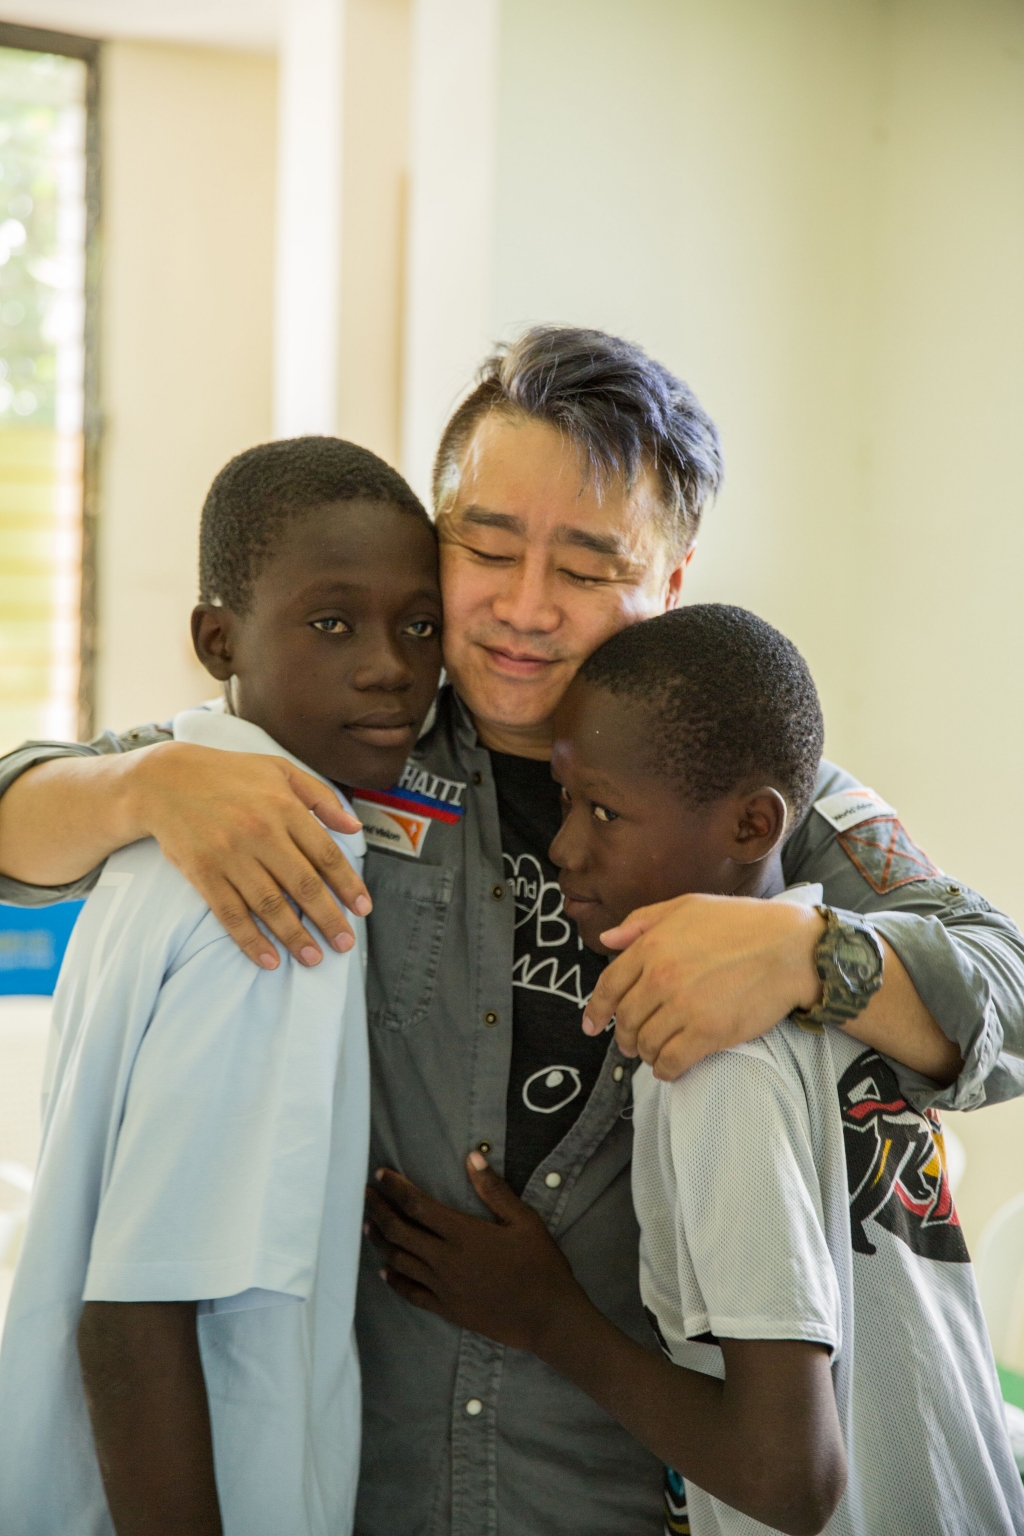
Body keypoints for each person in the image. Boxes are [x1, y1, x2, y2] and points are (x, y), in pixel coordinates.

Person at [0, 328, 1022, 1535]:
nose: (523, 610)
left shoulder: (745, 792)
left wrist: (809, 956)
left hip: (621, 1489)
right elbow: (21, 809)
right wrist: (138, 788)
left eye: (586, 570)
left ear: (670, 581)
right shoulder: (342, 737)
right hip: (361, 1481)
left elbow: (1001, 984)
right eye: (485, 547)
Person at [365, 605, 1024, 1536]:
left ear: (755, 824)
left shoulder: (717, 1056)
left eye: (603, 812)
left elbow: (790, 1478)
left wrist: (548, 1316)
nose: (562, 848)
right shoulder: (833, 986)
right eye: (564, 802)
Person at [0, 437, 444, 1536]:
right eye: (332, 623)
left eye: (420, 626)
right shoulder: (274, 874)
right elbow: (135, 1318)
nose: (389, 664)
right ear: (217, 638)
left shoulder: (175, 825)